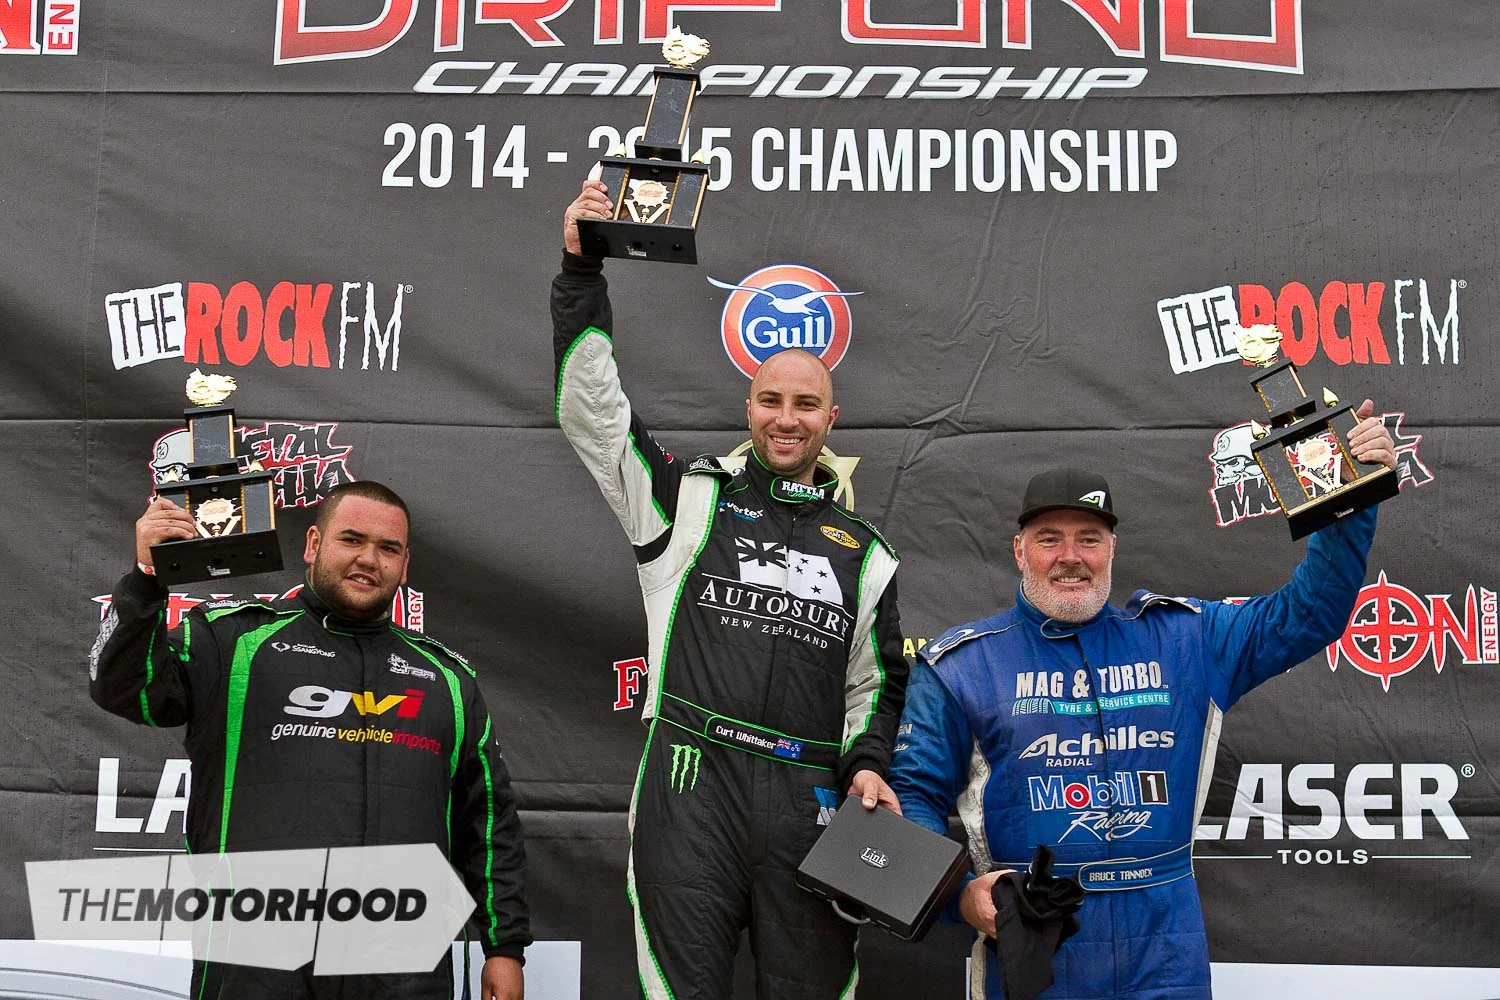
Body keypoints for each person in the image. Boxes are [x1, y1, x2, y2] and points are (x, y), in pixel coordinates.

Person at [888, 408, 1397, 1000]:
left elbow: (1309, 614)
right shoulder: (960, 664)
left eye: (1089, 539)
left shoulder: (1186, 638)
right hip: (1037, 939)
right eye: (1049, 539)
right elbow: (914, 796)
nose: (1070, 556)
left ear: (1112, 549)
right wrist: (958, 897)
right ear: (1019, 551)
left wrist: (1348, 501)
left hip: (1165, 945)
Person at [553, 179, 909, 999]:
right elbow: (594, 417)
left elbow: (875, 686)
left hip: (811, 797)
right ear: (748, 406)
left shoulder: (867, 553)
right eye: (772, 401)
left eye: (806, 405)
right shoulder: (686, 499)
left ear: (831, 420)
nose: (787, 418)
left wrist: (865, 766)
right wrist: (579, 276)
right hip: (691, 778)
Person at [89, 481, 530, 1000]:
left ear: (405, 565)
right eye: (352, 539)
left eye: (388, 548)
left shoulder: (446, 679)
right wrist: (145, 580)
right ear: (313, 544)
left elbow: (489, 820)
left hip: (404, 965)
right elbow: (124, 689)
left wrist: (504, 947)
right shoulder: (232, 640)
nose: (369, 559)